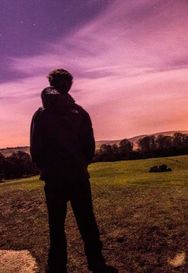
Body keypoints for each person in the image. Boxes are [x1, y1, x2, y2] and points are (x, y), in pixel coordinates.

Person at [30, 69, 118, 273]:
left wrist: (47, 168)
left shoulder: (40, 114)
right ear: (69, 85)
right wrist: (80, 164)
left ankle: (57, 267)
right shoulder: (80, 112)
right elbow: (89, 147)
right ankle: (96, 263)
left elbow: (36, 148)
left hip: (53, 179)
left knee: (56, 226)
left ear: (51, 83)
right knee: (87, 221)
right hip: (78, 176)